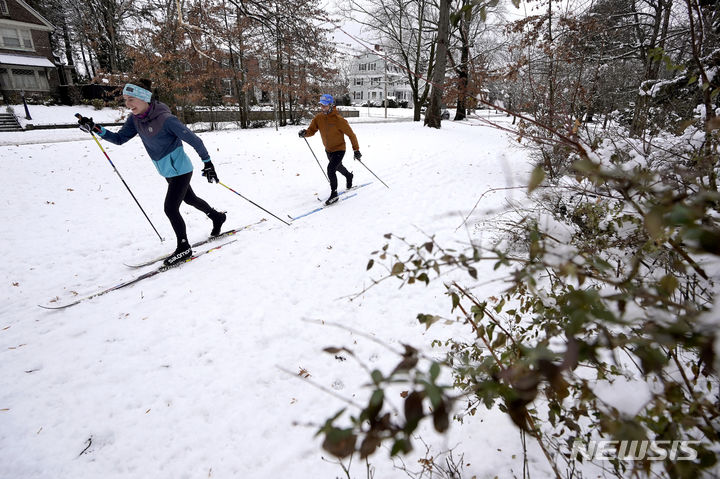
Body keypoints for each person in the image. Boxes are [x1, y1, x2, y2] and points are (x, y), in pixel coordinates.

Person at [77, 78, 227, 266]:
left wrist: (208, 163)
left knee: (170, 208)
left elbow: (195, 140)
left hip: (181, 169)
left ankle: (184, 247)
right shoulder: (135, 119)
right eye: (125, 99)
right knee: (190, 199)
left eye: (131, 99)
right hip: (166, 170)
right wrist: (96, 129)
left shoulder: (166, 119)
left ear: (144, 98)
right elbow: (119, 139)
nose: (127, 104)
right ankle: (217, 217)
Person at [298, 94, 362, 205]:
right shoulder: (319, 118)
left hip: (339, 149)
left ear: (331, 105)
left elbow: (351, 135)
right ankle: (349, 176)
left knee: (331, 169)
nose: (323, 108)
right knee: (338, 167)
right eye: (321, 105)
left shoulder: (339, 120)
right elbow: (312, 130)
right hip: (328, 149)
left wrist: (356, 150)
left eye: (325, 106)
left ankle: (334, 194)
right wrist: (305, 133)